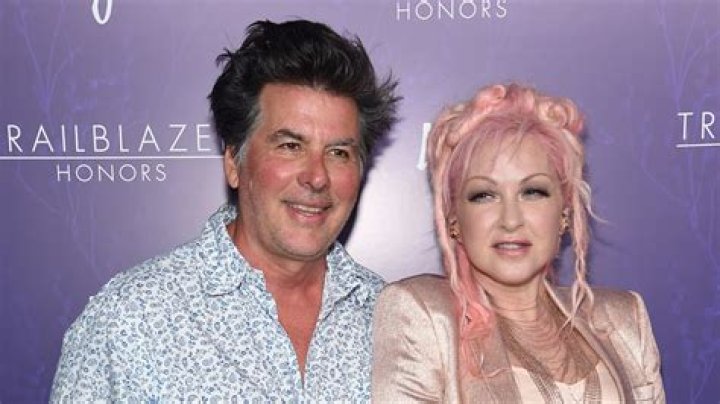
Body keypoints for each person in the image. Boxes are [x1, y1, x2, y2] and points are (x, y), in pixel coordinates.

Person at [51, 19, 400, 402]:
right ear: (234, 161)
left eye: (338, 153)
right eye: (290, 146)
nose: (317, 177)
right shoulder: (131, 319)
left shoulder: (395, 321)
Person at [372, 84, 664, 403]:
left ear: (564, 213)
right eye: (484, 195)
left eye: (533, 192)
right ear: (453, 219)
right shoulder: (423, 315)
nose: (511, 220)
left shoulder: (624, 319)